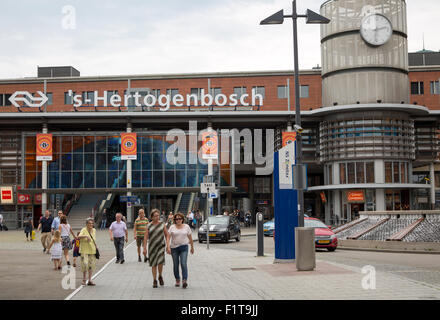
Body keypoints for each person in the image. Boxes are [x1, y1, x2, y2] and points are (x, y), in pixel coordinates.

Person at [166, 212, 194, 289]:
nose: (178, 220)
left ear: (182, 219)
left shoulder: (186, 227)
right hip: (174, 248)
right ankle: (177, 279)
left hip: (184, 247)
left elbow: (190, 237)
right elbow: (168, 237)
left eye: (179, 219)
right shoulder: (172, 227)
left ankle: (184, 280)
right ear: (174, 220)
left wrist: (192, 247)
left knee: (183, 263)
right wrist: (168, 246)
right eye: (176, 219)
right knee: (175, 265)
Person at [143, 208, 169, 288]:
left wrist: (168, 245)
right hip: (152, 247)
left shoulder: (162, 224)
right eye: (155, 216)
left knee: (160, 262)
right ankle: (154, 280)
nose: (157, 217)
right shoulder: (149, 225)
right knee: (153, 264)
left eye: (158, 215)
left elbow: (167, 235)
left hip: (161, 246)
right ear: (152, 217)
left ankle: (160, 275)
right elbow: (145, 237)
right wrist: (144, 248)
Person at [77, 218, 98, 286]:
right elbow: (78, 236)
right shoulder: (84, 229)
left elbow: (93, 239)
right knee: (85, 265)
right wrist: (86, 236)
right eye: (89, 223)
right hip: (84, 251)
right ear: (86, 224)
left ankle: (90, 280)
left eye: (92, 223)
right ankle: (84, 279)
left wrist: (96, 246)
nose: (91, 225)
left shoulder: (94, 230)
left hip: (92, 250)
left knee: (91, 266)